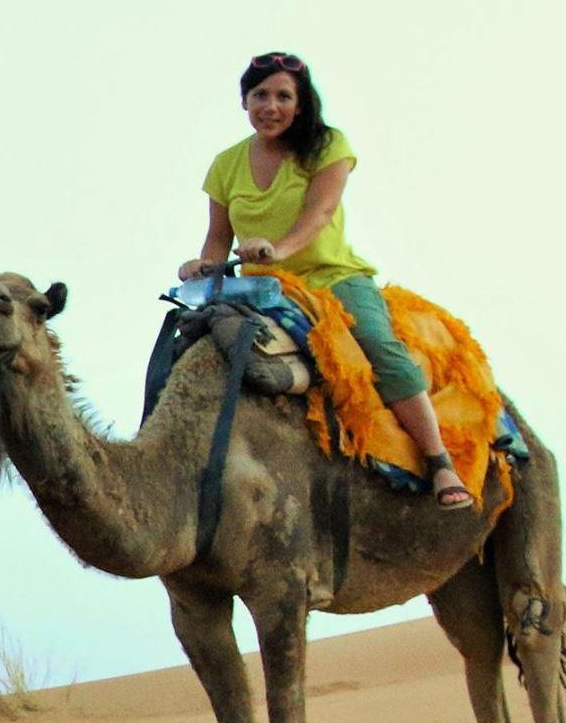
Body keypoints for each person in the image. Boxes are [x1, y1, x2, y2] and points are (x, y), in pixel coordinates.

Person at [182, 51, 473, 509]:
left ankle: (439, 461)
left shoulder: (328, 145)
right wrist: (202, 266)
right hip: (263, 291)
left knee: (377, 344)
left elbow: (320, 214)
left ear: (300, 104)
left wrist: (278, 251)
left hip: (331, 279)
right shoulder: (226, 164)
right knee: (189, 347)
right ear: (244, 101)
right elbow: (218, 239)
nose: (271, 106)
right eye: (260, 95)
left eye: (283, 96)